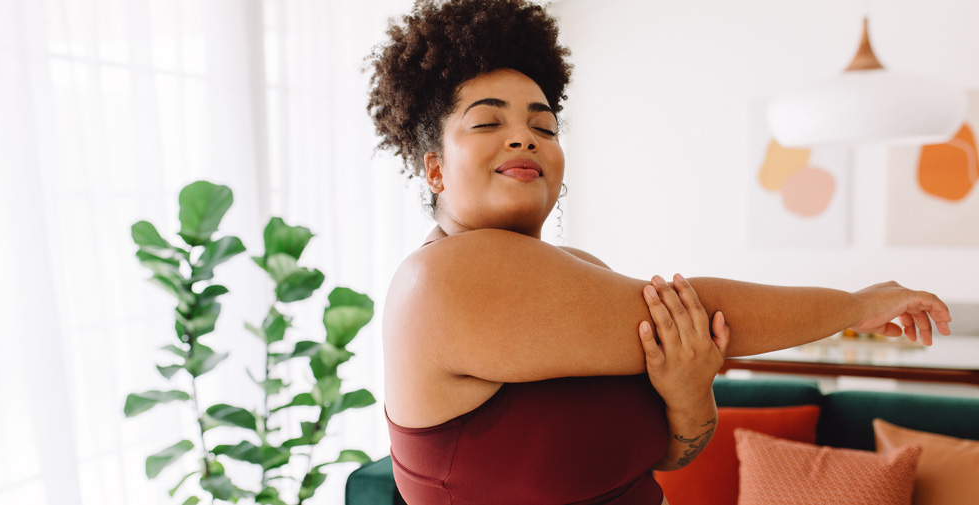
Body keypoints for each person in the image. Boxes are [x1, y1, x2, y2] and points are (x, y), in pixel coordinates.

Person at [366, 1, 952, 503]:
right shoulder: (439, 279)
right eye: (488, 122)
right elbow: (698, 309)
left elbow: (672, 454)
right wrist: (859, 304)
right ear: (435, 169)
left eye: (544, 128)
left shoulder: (585, 273)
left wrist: (689, 391)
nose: (524, 137)